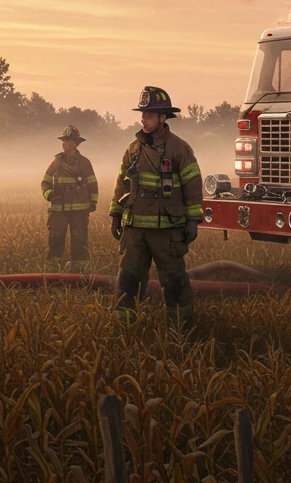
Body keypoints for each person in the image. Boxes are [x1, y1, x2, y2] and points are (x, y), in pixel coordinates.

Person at [109, 86, 203, 328]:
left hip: (167, 230)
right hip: (135, 229)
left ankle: (180, 330)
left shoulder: (179, 148)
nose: (144, 120)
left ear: (163, 118)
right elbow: (122, 183)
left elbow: (193, 185)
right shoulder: (133, 149)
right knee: (128, 278)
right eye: (143, 115)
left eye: (149, 115)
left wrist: (193, 220)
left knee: (173, 280)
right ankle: (125, 326)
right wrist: (115, 214)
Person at [41, 124, 97, 264]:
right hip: (58, 209)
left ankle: (80, 273)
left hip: (79, 210)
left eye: (68, 141)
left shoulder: (84, 163)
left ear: (75, 144)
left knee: (80, 241)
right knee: (56, 240)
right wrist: (49, 194)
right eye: (64, 141)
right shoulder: (56, 161)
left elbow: (92, 183)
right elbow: (45, 182)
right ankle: (53, 273)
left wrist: (93, 202)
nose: (64, 144)